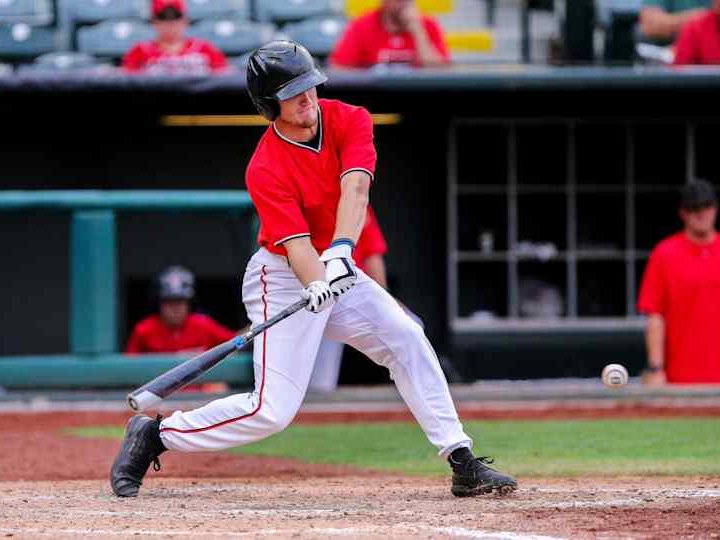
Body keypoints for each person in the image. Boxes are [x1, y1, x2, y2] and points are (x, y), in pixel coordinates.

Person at [110, 40, 516, 499]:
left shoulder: (351, 119)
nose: (307, 99)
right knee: (272, 411)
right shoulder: (264, 166)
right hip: (282, 276)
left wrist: (341, 251)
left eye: (310, 87)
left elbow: (356, 190)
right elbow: (296, 246)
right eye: (293, 92)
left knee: (405, 336)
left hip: (338, 263)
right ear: (268, 105)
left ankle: (462, 461)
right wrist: (317, 280)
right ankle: (155, 435)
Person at [637, 180, 720, 386]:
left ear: (715, 209)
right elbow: (655, 315)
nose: (701, 214)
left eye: (706, 206)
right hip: (679, 378)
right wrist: (656, 368)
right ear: (683, 213)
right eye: (693, 208)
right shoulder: (664, 253)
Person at [308, 206, 389, 392]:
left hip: (353, 291)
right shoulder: (308, 201)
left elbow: (372, 255)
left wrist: (385, 300)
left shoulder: (359, 205)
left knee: (411, 326)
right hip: (314, 290)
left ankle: (409, 397)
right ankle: (318, 397)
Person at [125, 266, 236, 354]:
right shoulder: (144, 330)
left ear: (189, 303)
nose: (175, 308)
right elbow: (127, 370)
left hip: (198, 383)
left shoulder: (203, 325)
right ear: (159, 303)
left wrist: (252, 327)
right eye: (169, 302)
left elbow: (237, 342)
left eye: (180, 301)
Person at [329, 0, 450, 68]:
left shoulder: (427, 25)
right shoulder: (362, 25)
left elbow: (439, 71)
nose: (402, 3)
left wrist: (418, 31)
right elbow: (338, 67)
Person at [122, 0, 228, 74]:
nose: (170, 22)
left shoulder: (205, 48)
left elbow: (225, 81)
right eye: (163, 17)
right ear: (153, 21)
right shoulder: (139, 51)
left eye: (175, 16)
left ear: (185, 20)